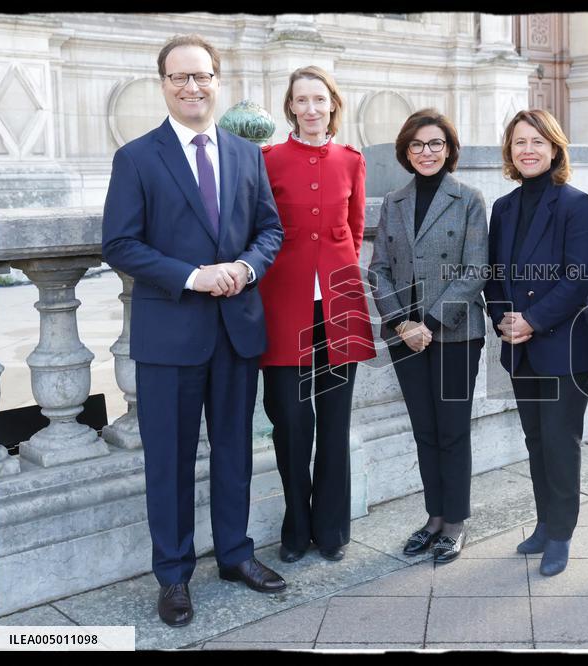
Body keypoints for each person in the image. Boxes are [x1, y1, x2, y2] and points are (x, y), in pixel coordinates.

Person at [102, 34, 286, 628]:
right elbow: (121, 243)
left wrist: (244, 267)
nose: (192, 86)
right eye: (179, 77)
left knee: (235, 452)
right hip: (169, 338)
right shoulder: (136, 157)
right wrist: (192, 276)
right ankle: (174, 575)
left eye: (202, 76)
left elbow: (270, 231)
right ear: (164, 84)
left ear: (216, 80)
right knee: (170, 461)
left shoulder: (246, 155)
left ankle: (235, 554)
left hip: (236, 332)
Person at [257, 65, 376, 565]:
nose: (311, 108)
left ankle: (331, 528)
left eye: (319, 100)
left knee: (333, 421)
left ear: (333, 104)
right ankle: (295, 525)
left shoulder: (351, 160)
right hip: (283, 304)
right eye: (301, 100)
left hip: (339, 304)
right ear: (290, 107)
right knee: (289, 422)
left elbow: (355, 227)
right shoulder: (267, 160)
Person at [367, 109, 489, 564]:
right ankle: (433, 517)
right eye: (417, 145)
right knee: (424, 431)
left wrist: (430, 325)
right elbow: (378, 269)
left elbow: (476, 269)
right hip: (405, 337)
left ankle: (455, 522)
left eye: (435, 143)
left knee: (452, 430)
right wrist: (402, 323)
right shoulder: (396, 202)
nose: (427, 152)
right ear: (406, 151)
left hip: (455, 335)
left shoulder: (469, 199)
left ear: (449, 149)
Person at [484, 109, 588, 577]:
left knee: (559, 440)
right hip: (519, 344)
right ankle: (544, 522)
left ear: (554, 148)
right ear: (510, 153)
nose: (528, 150)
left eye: (536, 141)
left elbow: (578, 279)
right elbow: (493, 276)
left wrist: (531, 320)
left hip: (564, 343)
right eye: (518, 143)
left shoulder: (575, 203)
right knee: (535, 440)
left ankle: (561, 534)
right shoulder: (503, 207)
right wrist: (502, 320)